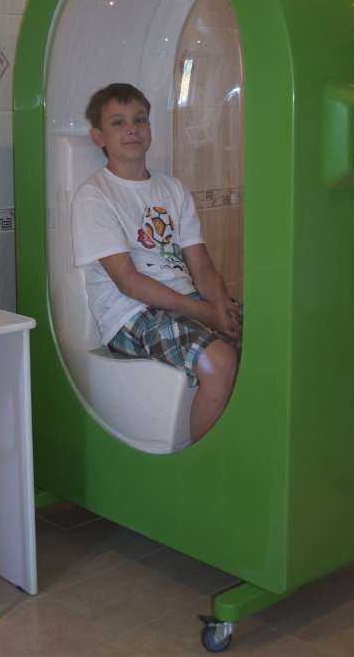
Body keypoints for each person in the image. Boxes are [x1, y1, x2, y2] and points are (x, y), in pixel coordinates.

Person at [72, 83, 241, 443]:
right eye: (118, 123)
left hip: (184, 302)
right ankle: (203, 466)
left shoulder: (172, 189)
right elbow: (127, 281)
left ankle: (245, 448)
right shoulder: (95, 195)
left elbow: (202, 266)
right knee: (219, 361)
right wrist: (204, 312)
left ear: (150, 129)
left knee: (270, 337)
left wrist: (221, 305)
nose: (132, 129)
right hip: (130, 313)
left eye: (140, 120)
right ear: (98, 137)